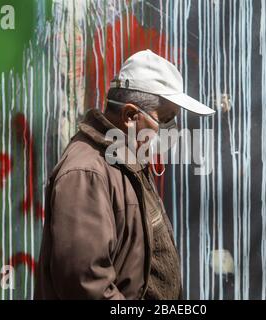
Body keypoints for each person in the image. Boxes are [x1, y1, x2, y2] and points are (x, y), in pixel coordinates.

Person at [34, 49, 215, 299]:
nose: (172, 131)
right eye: (166, 120)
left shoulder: (127, 158)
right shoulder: (88, 172)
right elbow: (86, 285)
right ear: (130, 116)